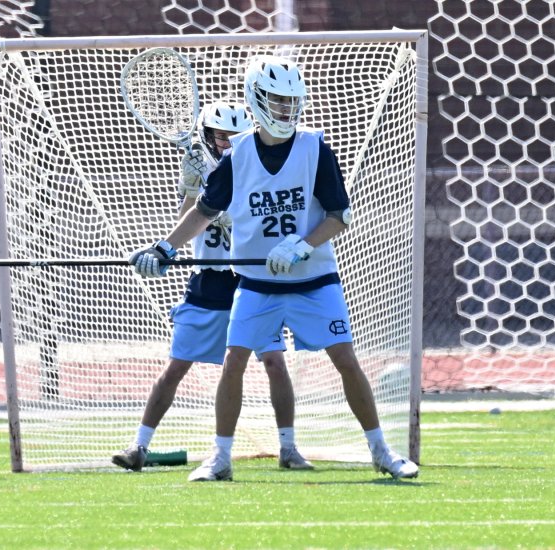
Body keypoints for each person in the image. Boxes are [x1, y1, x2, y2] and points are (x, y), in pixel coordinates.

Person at [129, 56, 419, 482]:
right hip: (257, 285)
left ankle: (380, 450)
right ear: (257, 99)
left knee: (345, 359)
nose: (286, 110)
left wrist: (302, 244)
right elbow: (204, 211)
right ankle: (221, 458)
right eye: (277, 101)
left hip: (313, 281)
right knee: (234, 359)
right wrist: (163, 248)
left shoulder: (315, 149)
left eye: (292, 102)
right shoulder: (239, 154)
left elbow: (340, 216)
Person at [112, 100, 313, 474]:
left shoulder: (255, 167)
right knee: (175, 367)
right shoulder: (199, 171)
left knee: (274, 362)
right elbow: (189, 221)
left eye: (234, 137)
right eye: (221, 137)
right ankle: (138, 445)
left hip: (250, 281)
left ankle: (289, 447)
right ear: (207, 137)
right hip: (208, 281)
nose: (227, 144)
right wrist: (191, 187)